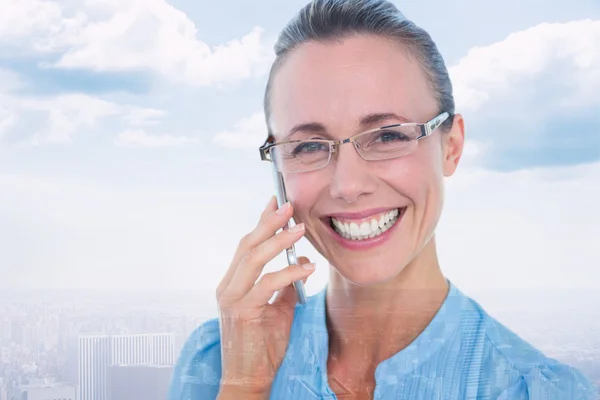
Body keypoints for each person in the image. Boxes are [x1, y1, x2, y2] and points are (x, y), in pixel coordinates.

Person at [168, 1, 597, 399]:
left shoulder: (534, 390)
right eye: (309, 146)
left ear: (452, 146)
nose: (348, 185)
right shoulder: (219, 364)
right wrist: (245, 387)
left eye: (389, 135)